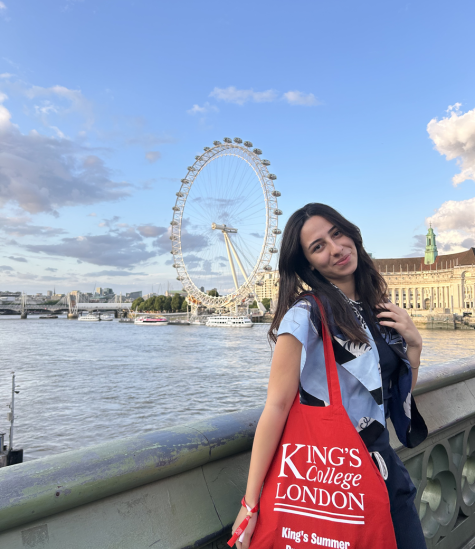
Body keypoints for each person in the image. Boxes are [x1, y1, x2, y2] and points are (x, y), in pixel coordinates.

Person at [231, 203, 428, 549]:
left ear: (351, 233)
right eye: (318, 246)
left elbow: (392, 398)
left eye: (337, 234)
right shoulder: (305, 315)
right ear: (307, 263)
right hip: (336, 484)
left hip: (387, 475)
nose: (335, 249)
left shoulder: (376, 308)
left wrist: (414, 346)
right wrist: (251, 503)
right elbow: (276, 406)